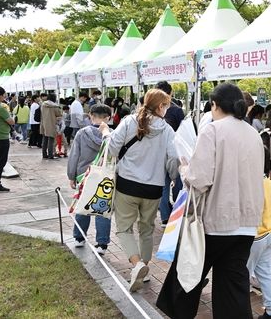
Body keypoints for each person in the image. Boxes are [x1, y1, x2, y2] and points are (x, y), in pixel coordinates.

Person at [175, 83, 264, 317]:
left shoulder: (212, 130)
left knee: (189, 274)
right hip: (247, 220)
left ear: (215, 105)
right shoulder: (253, 133)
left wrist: (185, 170)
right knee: (233, 286)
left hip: (215, 220)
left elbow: (199, 179)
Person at [102, 89, 179, 292]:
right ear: (160, 106)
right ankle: (143, 267)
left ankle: (136, 265)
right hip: (154, 188)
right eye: (166, 105)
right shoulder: (168, 131)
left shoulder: (129, 121)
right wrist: (171, 176)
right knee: (146, 229)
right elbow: (174, 159)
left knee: (124, 228)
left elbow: (112, 146)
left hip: (127, 184)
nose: (168, 109)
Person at [68, 104, 113, 255]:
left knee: (83, 205)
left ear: (90, 116)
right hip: (104, 176)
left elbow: (74, 155)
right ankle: (102, 243)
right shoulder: (111, 135)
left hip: (84, 175)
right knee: (102, 208)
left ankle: (79, 237)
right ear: (108, 118)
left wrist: (71, 176)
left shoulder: (82, 133)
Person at [247, 176, 271, 319]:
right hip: (268, 233)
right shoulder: (268, 181)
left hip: (255, 236)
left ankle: (241, 310)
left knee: (242, 275)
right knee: (265, 274)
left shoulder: (251, 182)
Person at [155, 81, 186, 225]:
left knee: (163, 185)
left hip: (158, 152)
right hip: (175, 151)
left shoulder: (150, 110)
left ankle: (165, 217)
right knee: (177, 182)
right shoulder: (177, 110)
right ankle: (178, 213)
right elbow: (183, 131)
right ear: (171, 93)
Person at [40, 93, 62, 159]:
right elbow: (59, 114)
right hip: (51, 123)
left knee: (45, 139)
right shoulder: (55, 106)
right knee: (51, 140)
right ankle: (50, 155)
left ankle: (44, 154)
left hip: (43, 124)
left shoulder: (43, 104)